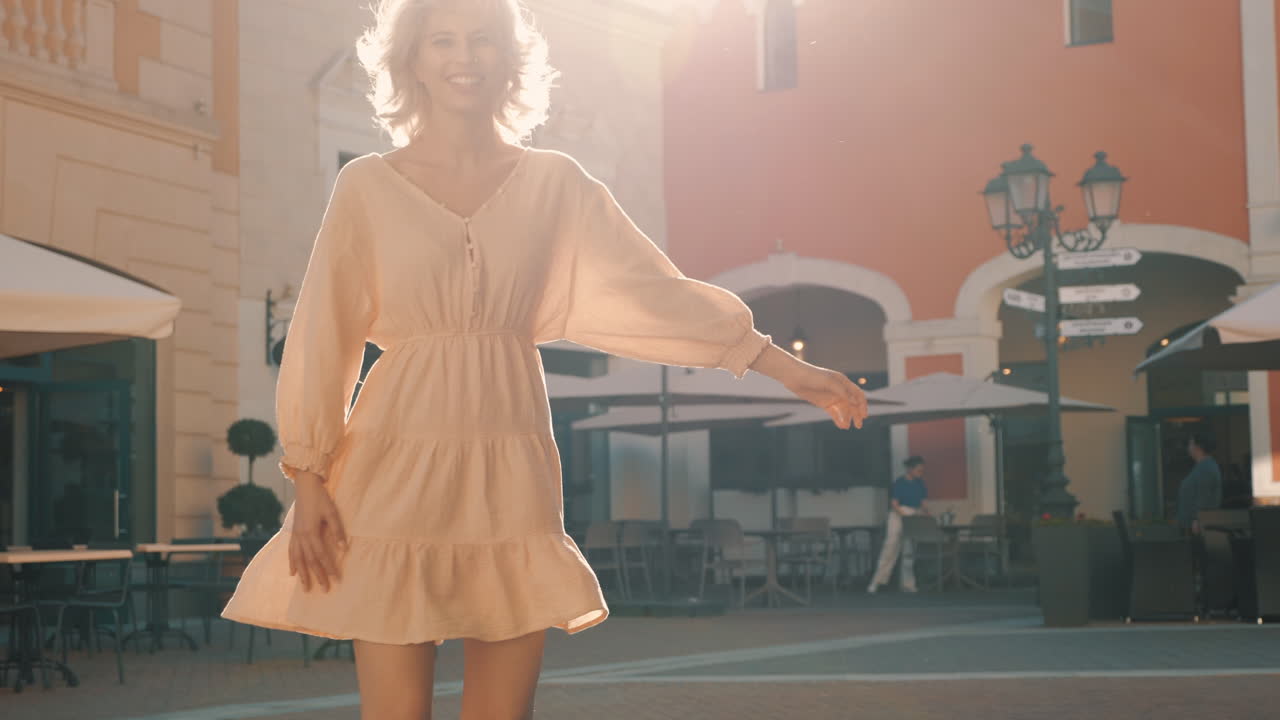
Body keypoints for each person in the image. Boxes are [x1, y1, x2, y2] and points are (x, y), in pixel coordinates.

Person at [219, 2, 868, 718]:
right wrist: (309, 475)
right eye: (443, 40)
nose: (464, 56)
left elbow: (653, 294)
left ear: (510, 58)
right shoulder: (366, 186)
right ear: (412, 60)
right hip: (390, 468)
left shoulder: (557, 184)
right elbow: (323, 329)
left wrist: (784, 366)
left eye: (483, 39)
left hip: (511, 470)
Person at [867, 456, 928, 594]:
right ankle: (876, 582)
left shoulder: (920, 484)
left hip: (913, 514)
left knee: (909, 551)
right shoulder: (899, 483)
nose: (921, 473)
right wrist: (904, 515)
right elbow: (894, 504)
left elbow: (923, 504)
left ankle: (908, 585)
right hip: (898, 515)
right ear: (910, 469)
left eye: (922, 470)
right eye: (918, 470)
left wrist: (927, 515)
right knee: (890, 547)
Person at [1176, 432, 1222, 533]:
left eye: (1190, 444)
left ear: (1198, 447)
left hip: (1198, 527)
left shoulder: (1207, 468)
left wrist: (1197, 519)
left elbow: (1204, 495)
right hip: (1192, 525)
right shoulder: (1201, 466)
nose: (1188, 447)